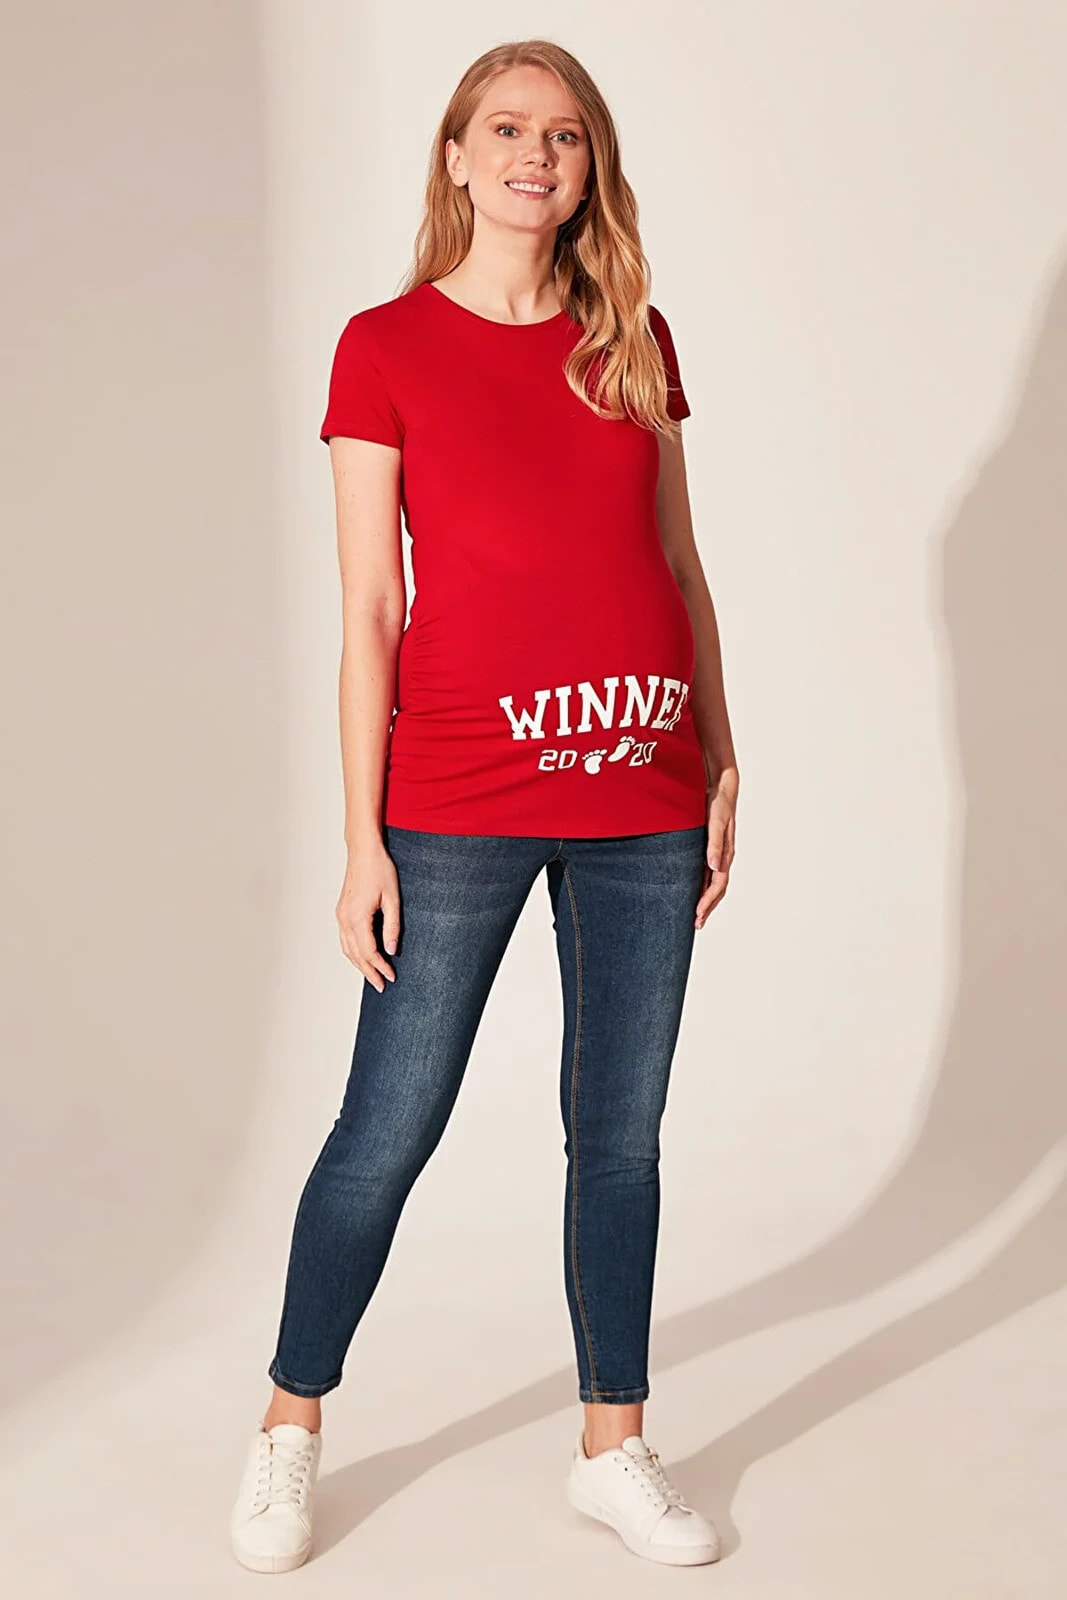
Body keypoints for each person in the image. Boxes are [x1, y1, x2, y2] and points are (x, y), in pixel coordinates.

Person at [230, 36, 738, 1575]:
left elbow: (679, 565)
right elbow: (368, 609)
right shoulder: (384, 346)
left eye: (564, 135)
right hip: (457, 796)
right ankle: (288, 1426)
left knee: (621, 1135)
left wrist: (720, 752)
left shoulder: (631, 337)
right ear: (457, 157)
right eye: (506, 129)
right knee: (388, 1127)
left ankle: (612, 1444)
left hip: (643, 790)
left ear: (590, 167)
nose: (535, 155)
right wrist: (359, 839)